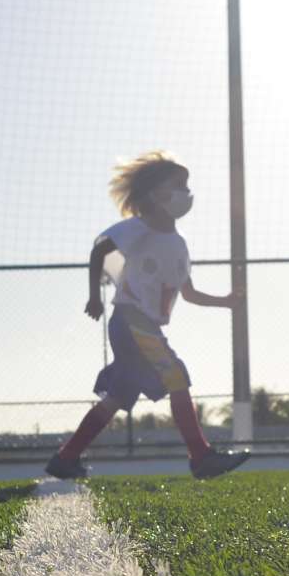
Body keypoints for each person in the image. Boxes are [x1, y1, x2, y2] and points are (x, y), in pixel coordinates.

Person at [45, 152, 251, 482]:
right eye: (178, 185)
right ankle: (201, 456)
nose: (186, 193)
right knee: (177, 377)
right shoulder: (137, 229)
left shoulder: (179, 246)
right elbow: (100, 250)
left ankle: (65, 457)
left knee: (118, 398)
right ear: (155, 194)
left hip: (143, 325)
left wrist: (226, 302)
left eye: (187, 185)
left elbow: (189, 293)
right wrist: (95, 296)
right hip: (131, 321)